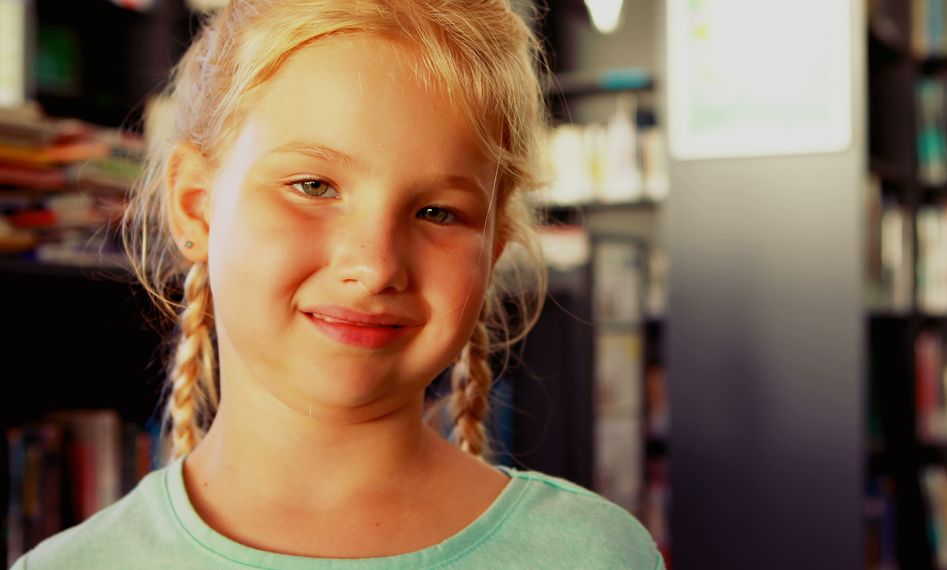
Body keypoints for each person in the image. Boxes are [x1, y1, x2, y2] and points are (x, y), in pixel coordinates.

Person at [9, 1, 662, 568]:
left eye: (438, 212)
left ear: (492, 247)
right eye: (312, 186)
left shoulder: (594, 556)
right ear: (196, 206)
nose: (376, 266)